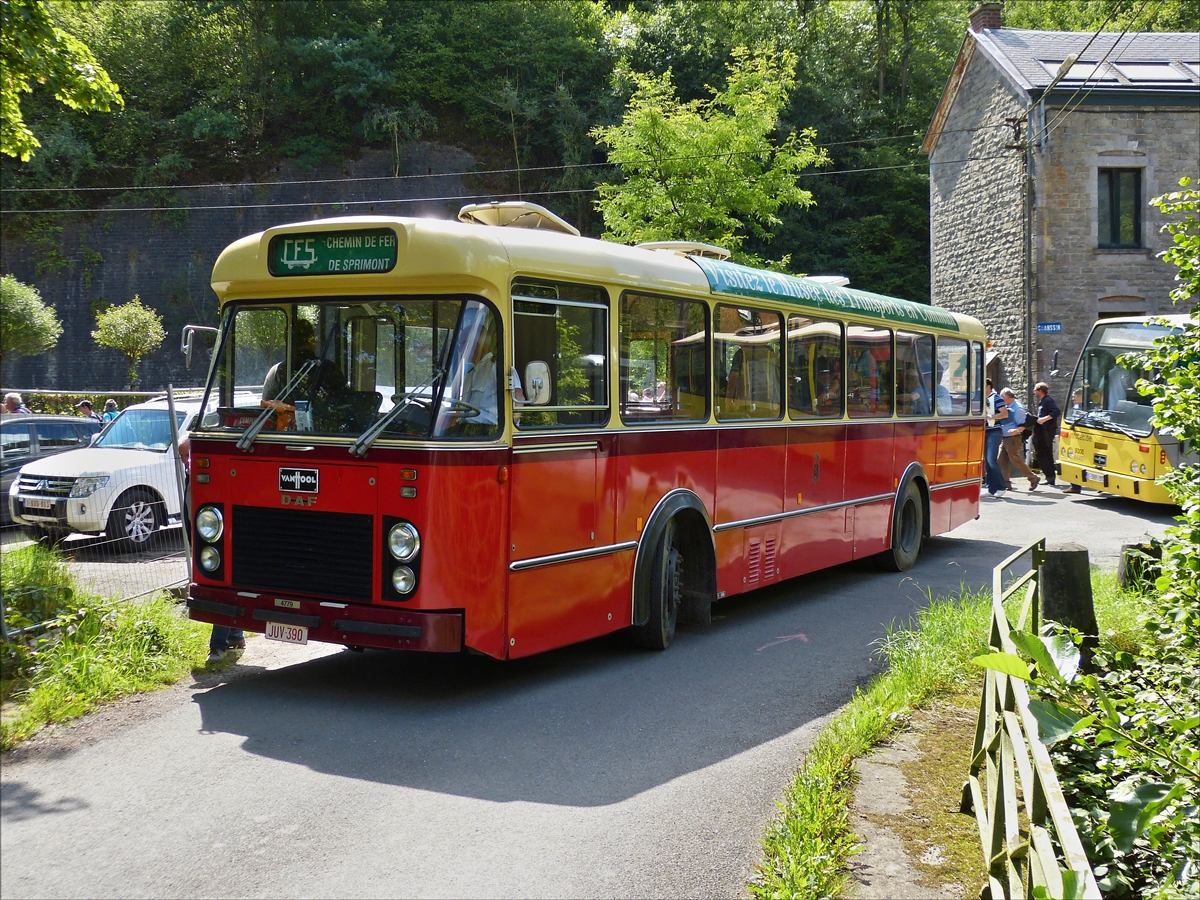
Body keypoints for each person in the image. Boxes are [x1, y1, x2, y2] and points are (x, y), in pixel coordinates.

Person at [262, 318, 345, 403]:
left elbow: (267, 407)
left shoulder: (276, 372)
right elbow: (343, 402)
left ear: (287, 341)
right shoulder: (331, 368)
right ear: (311, 341)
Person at [459, 316, 498, 425]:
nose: (461, 350)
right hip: (467, 431)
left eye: (462, 345)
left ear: (474, 346)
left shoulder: (498, 367)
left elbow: (518, 398)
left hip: (491, 433)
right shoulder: (470, 373)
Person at [998, 387, 1039, 491]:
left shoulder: (1017, 409)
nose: (1000, 399)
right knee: (1001, 459)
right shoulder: (1008, 405)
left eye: (1001, 397)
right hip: (1006, 437)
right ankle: (1006, 483)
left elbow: (1023, 425)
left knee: (1015, 460)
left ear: (1007, 398)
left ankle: (1033, 478)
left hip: (1013, 438)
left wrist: (1015, 430)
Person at [1031, 382, 1060, 488]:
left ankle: (1050, 476)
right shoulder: (1043, 401)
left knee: (1042, 454)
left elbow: (1056, 411)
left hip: (1047, 431)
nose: (1034, 392)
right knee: (1046, 454)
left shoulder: (1048, 400)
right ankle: (1050, 478)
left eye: (1035, 390)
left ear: (1040, 390)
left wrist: (1044, 419)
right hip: (1042, 432)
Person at [984, 379, 1008, 496]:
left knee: (991, 460)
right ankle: (991, 488)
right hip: (985, 432)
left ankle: (1001, 487)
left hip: (994, 432)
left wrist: (991, 417)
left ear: (988, 386)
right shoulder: (983, 399)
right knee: (987, 462)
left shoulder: (997, 398)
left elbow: (1005, 413)